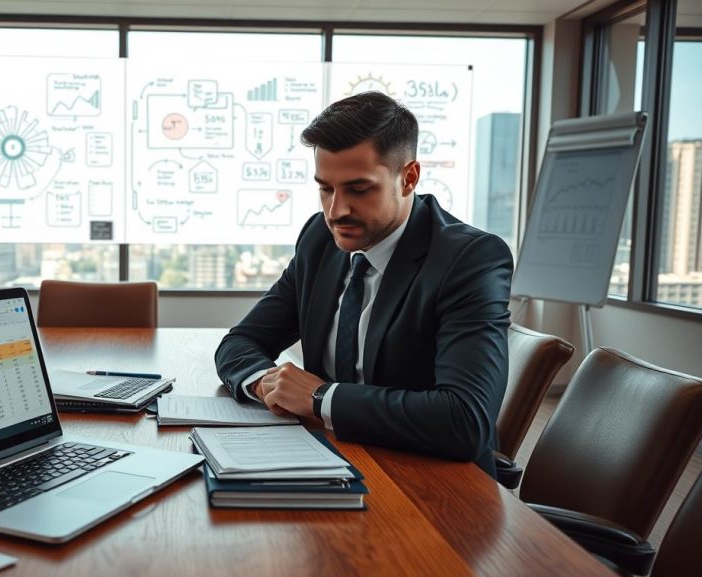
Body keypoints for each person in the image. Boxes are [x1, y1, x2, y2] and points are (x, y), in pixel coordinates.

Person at [214, 91, 513, 477]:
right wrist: (265, 385)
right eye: (326, 188)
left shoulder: (469, 260)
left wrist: (320, 398)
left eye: (358, 189)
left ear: (409, 178)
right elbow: (240, 343)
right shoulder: (320, 241)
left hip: (433, 483)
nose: (336, 211)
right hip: (329, 458)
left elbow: (464, 420)